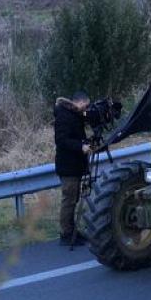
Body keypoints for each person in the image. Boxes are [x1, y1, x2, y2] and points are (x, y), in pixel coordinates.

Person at [54, 92, 91, 246]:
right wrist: (80, 146)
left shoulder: (73, 114)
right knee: (69, 200)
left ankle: (72, 230)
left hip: (74, 164)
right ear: (79, 102)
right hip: (68, 166)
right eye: (85, 105)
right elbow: (61, 140)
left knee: (72, 199)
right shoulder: (64, 115)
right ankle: (66, 233)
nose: (86, 109)